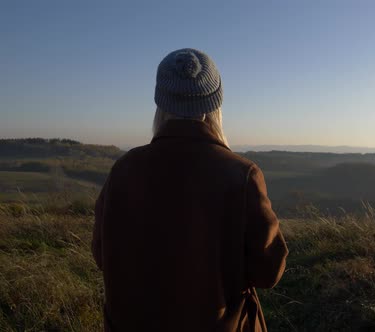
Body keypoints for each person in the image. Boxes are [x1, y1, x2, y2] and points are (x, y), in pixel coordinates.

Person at [91, 48, 289, 332]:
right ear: (214, 105)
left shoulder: (123, 169)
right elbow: (267, 271)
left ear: (161, 103)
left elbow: (102, 255)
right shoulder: (241, 174)